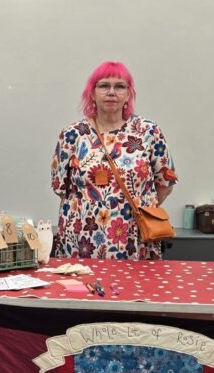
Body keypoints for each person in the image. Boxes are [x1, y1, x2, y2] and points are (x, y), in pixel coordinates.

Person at [51, 61, 177, 260]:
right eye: (103, 86)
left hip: (133, 240)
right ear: (91, 93)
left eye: (119, 86)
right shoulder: (72, 135)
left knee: (137, 290)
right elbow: (61, 188)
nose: (111, 92)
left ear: (128, 94)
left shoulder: (148, 132)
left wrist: (131, 208)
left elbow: (165, 184)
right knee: (82, 290)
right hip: (81, 241)